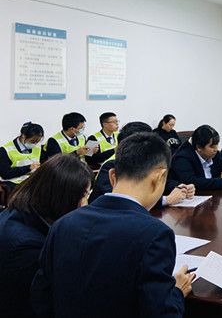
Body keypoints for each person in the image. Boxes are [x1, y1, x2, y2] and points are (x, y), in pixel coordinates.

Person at [31, 133, 195, 318]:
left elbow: (41, 297)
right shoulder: (155, 234)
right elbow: (161, 313)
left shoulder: (63, 223)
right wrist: (177, 292)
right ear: (160, 176)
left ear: (112, 175)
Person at [0, 154, 92, 318]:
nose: (86, 204)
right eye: (84, 195)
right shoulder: (29, 247)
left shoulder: (19, 212)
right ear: (63, 197)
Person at [90, 121, 194, 207]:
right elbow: (124, 199)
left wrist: (179, 187)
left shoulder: (145, 161)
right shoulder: (110, 165)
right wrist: (166, 200)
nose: (116, 123)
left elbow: (157, 180)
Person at [170, 125, 222, 190]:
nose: (216, 149)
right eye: (212, 146)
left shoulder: (213, 153)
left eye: (217, 145)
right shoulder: (182, 158)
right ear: (199, 147)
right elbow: (191, 182)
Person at [0, 122, 44, 191]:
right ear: (23, 136)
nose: (35, 144)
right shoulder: (5, 150)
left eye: (37, 141)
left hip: (32, 181)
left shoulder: (38, 147)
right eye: (32, 141)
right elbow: (5, 174)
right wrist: (28, 168)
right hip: (13, 184)